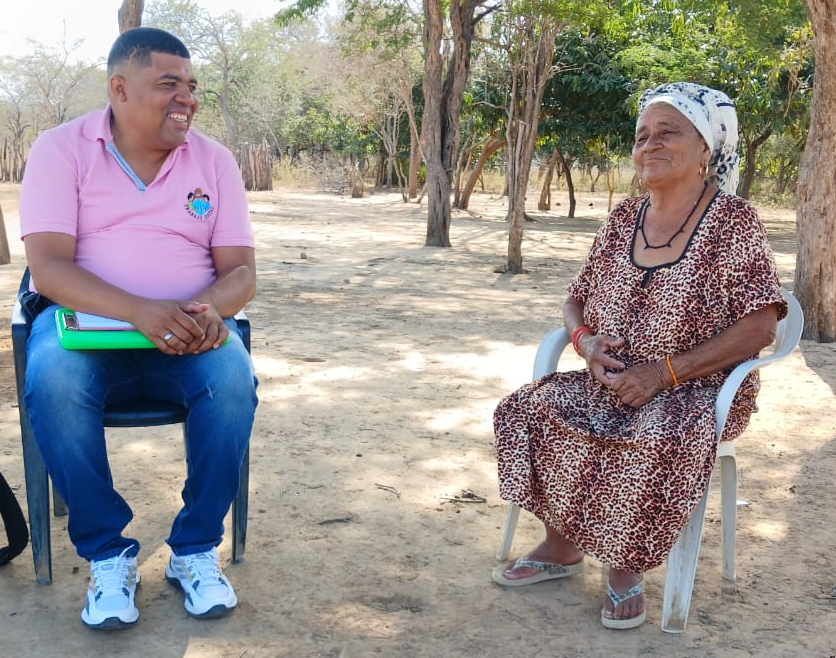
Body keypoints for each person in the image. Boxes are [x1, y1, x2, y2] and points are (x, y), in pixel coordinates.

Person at [491, 82, 787, 630]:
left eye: (667, 133)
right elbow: (575, 298)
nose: (649, 145)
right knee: (528, 410)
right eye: (641, 136)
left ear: (706, 148)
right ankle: (562, 544)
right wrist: (585, 343)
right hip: (609, 376)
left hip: (692, 389)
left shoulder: (733, 222)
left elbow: (760, 326)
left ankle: (625, 564)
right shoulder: (624, 215)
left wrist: (663, 373)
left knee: (649, 431)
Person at [18, 27, 257, 630]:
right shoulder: (61, 149)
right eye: (168, 84)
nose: (187, 98)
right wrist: (139, 311)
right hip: (85, 334)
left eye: (192, 86)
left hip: (188, 334)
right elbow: (47, 268)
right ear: (119, 89)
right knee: (51, 379)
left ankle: (196, 548)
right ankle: (108, 554)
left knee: (232, 380)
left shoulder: (214, 161)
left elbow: (241, 273)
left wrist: (202, 310)